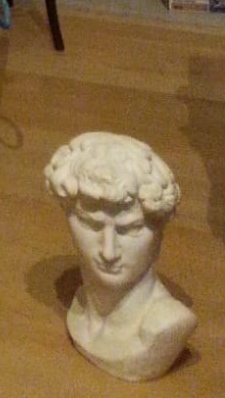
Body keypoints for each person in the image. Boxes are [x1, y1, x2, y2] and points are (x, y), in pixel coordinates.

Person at [44, 132, 196, 381]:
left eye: (130, 229)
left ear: (160, 230)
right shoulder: (80, 302)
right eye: (92, 225)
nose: (109, 252)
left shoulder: (165, 325)